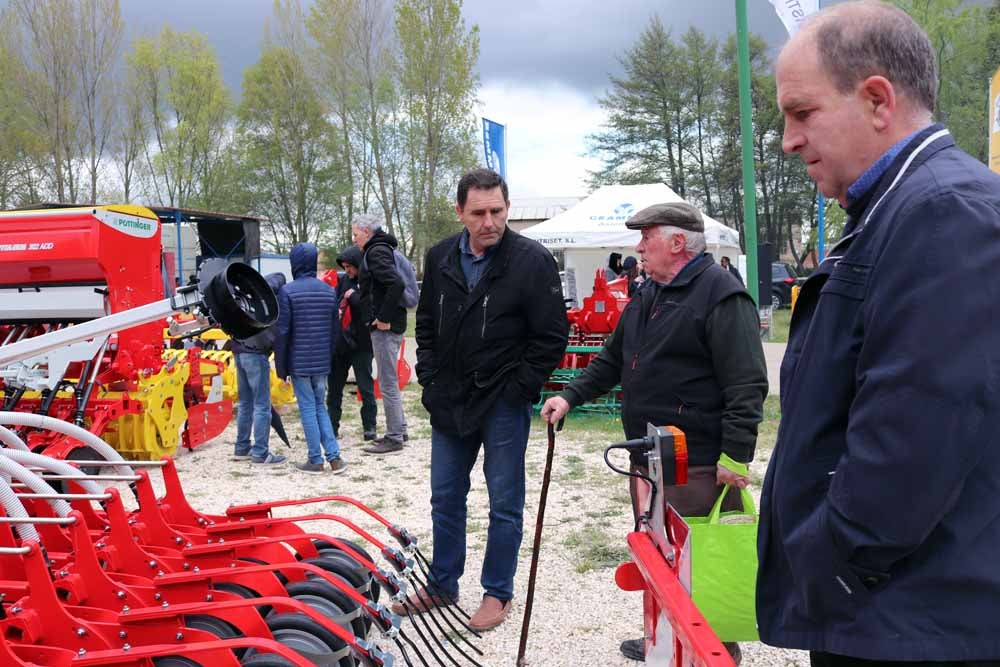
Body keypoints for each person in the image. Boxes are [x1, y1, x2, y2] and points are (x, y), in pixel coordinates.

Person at [758, 3, 1000, 666]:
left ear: (875, 100)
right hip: (893, 609)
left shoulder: (941, 212)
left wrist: (830, 562)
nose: (786, 138)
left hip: (912, 620)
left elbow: (916, 435)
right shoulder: (900, 207)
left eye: (801, 112)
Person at [541, 201, 767, 663]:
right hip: (648, 456)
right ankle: (662, 636)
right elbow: (612, 357)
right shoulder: (649, 292)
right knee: (658, 556)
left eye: (647, 237)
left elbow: (747, 383)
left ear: (678, 242)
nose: (639, 247)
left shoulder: (722, 296)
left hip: (695, 461)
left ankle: (712, 650)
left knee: (696, 563)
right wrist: (571, 395)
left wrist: (736, 456)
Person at [399, 168, 568, 631]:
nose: (489, 221)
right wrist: (429, 378)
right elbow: (427, 325)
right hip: (449, 397)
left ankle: (497, 592)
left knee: (504, 503)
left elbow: (552, 336)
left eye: (497, 211)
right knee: (445, 496)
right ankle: (443, 582)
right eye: (479, 212)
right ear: (460, 212)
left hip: (503, 402)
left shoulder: (532, 261)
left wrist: (519, 389)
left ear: (507, 208)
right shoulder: (439, 258)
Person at [274, 242, 347, 475]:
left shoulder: (287, 291)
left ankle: (315, 460)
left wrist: (281, 367)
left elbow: (283, 332)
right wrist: (329, 357)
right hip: (322, 361)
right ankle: (335, 458)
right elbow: (335, 330)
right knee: (320, 407)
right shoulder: (328, 290)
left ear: (294, 263)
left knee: (307, 408)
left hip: (299, 361)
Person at [351, 214, 409, 455]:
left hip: (385, 327)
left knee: (387, 382)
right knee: (389, 380)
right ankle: (401, 429)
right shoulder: (380, 249)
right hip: (387, 324)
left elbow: (396, 284)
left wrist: (383, 318)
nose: (354, 239)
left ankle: (394, 437)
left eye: (355, 234)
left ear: (367, 231)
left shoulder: (375, 252)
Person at [231, 272, 288, 465]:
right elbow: (279, 335)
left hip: (238, 351)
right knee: (262, 404)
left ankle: (241, 447)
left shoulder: (248, 297)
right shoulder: (272, 306)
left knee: (245, 403)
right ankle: (261, 453)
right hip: (256, 354)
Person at [326, 244, 378, 443]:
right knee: (335, 388)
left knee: (365, 387)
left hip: (362, 343)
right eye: (344, 266)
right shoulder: (342, 281)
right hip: (342, 343)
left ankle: (369, 427)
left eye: (350, 266)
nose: (347, 270)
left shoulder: (369, 281)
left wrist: (354, 297)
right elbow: (335, 303)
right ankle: (332, 426)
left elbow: (370, 306)